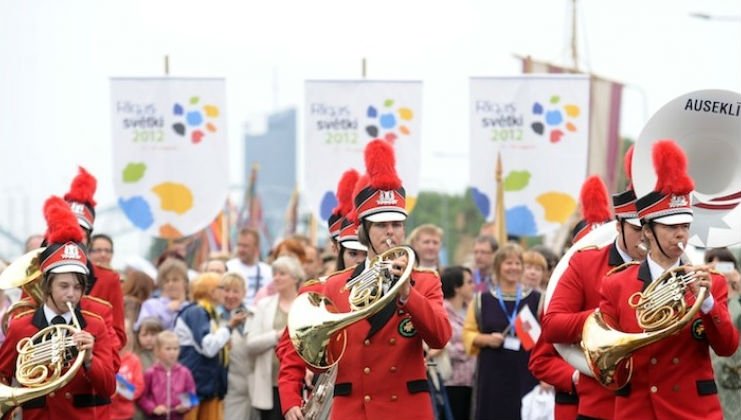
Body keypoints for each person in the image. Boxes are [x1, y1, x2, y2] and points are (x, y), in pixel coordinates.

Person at [280, 140, 451, 420]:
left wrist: (408, 293)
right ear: (364, 232)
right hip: (355, 409)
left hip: (406, 409)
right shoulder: (335, 285)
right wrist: (290, 399)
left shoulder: (426, 281)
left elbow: (440, 337)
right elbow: (303, 346)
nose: (390, 233)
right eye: (382, 225)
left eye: (397, 225)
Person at [599, 140, 739, 419]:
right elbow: (609, 364)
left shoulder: (712, 283)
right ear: (648, 231)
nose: (681, 235)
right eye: (671, 227)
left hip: (693, 410)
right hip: (639, 410)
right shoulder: (617, 283)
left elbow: (727, 347)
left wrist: (709, 303)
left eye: (685, 227)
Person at [541, 170, 645, 420]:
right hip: (603, 402)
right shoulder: (586, 263)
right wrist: (605, 318)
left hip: (657, 402)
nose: (647, 236)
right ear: (618, 225)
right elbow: (552, 325)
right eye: (638, 228)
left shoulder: (671, 267)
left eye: (653, 227)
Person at [0, 196, 116, 419]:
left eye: (77, 287)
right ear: (47, 286)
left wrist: (90, 359)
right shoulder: (21, 326)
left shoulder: (94, 325)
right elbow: (3, 373)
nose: (71, 294)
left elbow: (108, 387)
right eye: (63, 286)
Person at [462, 243, 540, 419]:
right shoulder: (482, 300)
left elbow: (545, 339)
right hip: (492, 373)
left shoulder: (536, 299)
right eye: (508, 263)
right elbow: (467, 333)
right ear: (498, 266)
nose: (513, 267)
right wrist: (486, 339)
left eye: (517, 263)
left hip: (526, 371)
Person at [64, 166, 126, 350]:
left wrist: (92, 344)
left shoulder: (109, 278)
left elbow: (119, 336)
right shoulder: (38, 272)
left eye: (81, 230)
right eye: (69, 226)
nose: (74, 234)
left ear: (88, 237)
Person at [175, 272, 247, 420]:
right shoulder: (196, 312)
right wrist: (229, 327)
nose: (225, 293)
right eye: (222, 288)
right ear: (211, 291)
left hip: (206, 386)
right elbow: (208, 347)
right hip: (194, 386)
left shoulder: (208, 312)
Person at [248, 256, 304, 420]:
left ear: (295, 278)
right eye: (275, 273)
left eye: (282, 273)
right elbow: (250, 344)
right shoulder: (264, 305)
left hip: (300, 383)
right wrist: (277, 336)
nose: (276, 277)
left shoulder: (305, 303)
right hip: (270, 384)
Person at [705, 248, 741, 420]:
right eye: (713, 265)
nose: (720, 271)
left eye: (724, 265)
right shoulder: (706, 296)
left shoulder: (738, 295)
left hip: (735, 370)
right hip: (711, 370)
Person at [439, 266, 476, 420]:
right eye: (469, 282)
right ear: (456, 287)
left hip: (472, 381)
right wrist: (473, 344)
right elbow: (444, 346)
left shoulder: (473, 310)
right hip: (451, 382)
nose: (473, 286)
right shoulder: (441, 312)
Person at [138, 330, 198, 420]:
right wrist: (153, 408)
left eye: (175, 348)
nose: (172, 352)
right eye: (168, 349)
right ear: (157, 351)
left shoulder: (185, 373)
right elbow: (142, 397)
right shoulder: (150, 373)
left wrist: (185, 405)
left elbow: (191, 395)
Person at [221, 272, 257, 420]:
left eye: (235, 291)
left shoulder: (254, 315)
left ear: (244, 293)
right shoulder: (216, 319)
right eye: (226, 290)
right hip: (230, 388)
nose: (230, 295)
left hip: (254, 387)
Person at [136, 258, 190, 331]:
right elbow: (144, 331)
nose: (170, 284)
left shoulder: (191, 308)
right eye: (167, 281)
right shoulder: (150, 305)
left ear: (185, 283)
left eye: (175, 280)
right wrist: (167, 311)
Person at [227, 227, 273, 306]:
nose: (241, 249)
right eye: (239, 245)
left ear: (256, 248)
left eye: (245, 246)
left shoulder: (268, 271)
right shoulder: (229, 267)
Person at [111, 319, 145, 420]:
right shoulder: (107, 358)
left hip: (126, 416)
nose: (123, 337)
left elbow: (138, 389)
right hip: (106, 415)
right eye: (118, 333)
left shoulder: (134, 361)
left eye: (127, 333)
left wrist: (121, 387)